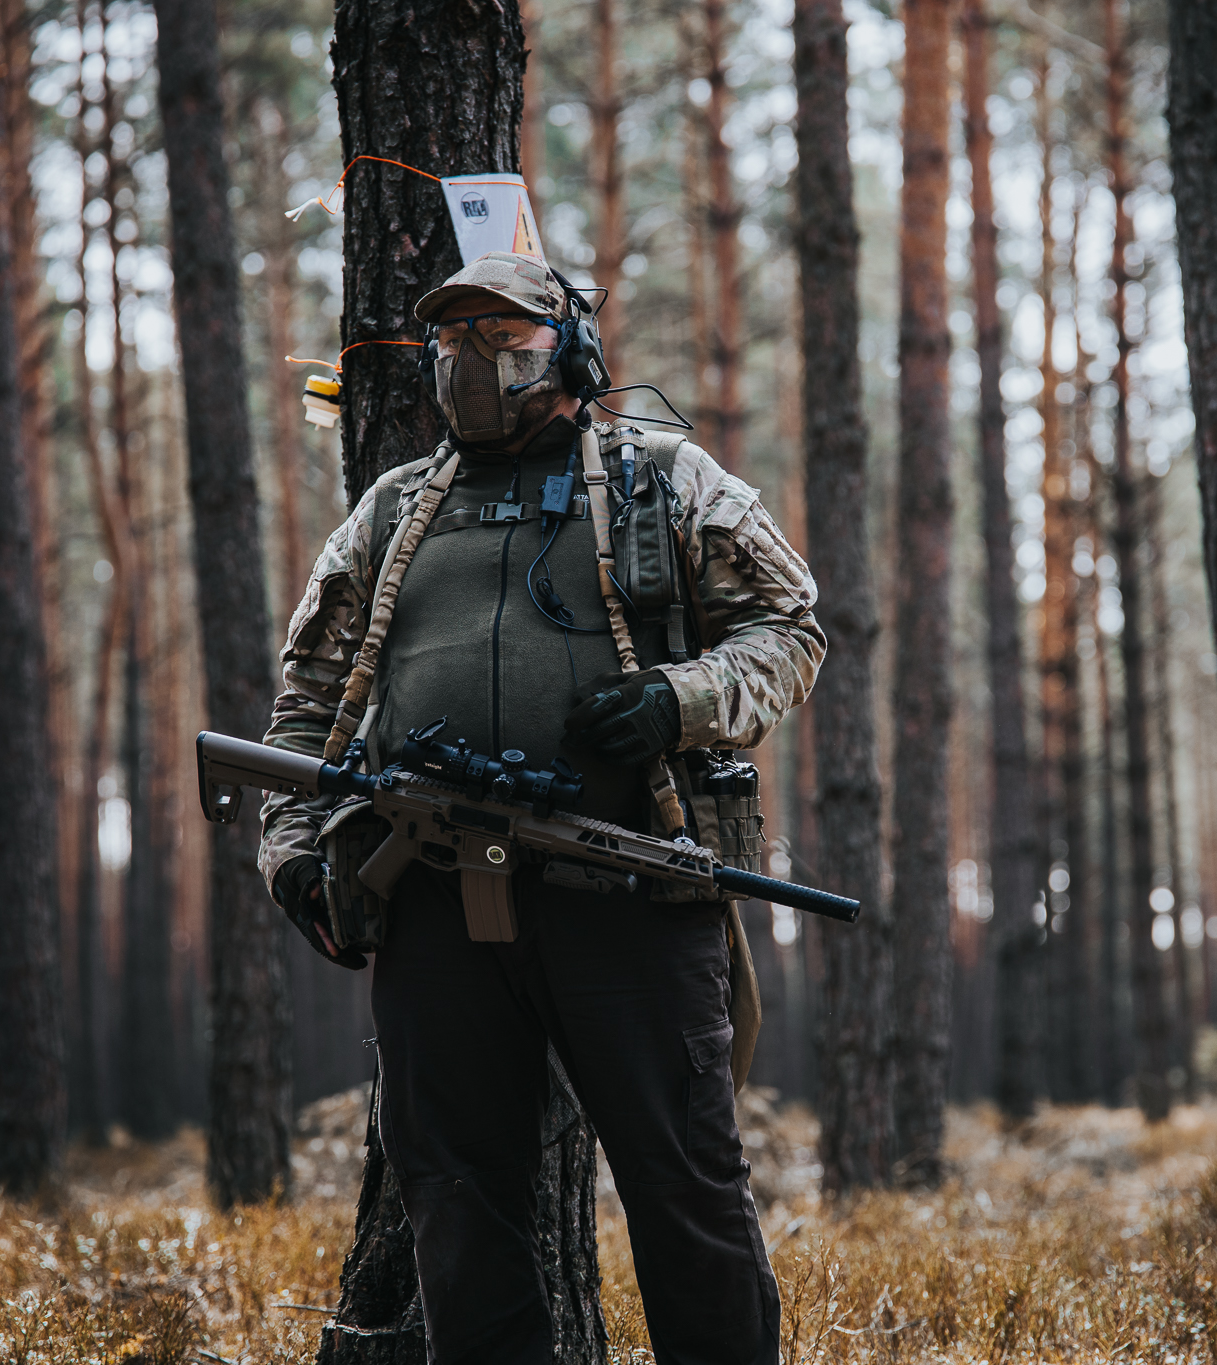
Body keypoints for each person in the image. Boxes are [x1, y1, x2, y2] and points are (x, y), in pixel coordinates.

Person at [257, 250, 824, 1365]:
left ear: (568, 351)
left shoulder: (664, 479)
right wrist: (291, 854)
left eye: (504, 342)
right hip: (424, 904)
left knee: (685, 1189)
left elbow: (791, 630)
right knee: (454, 1198)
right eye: (453, 343)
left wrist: (680, 699)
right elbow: (307, 702)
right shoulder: (392, 512)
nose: (473, 365)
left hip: (629, 891)